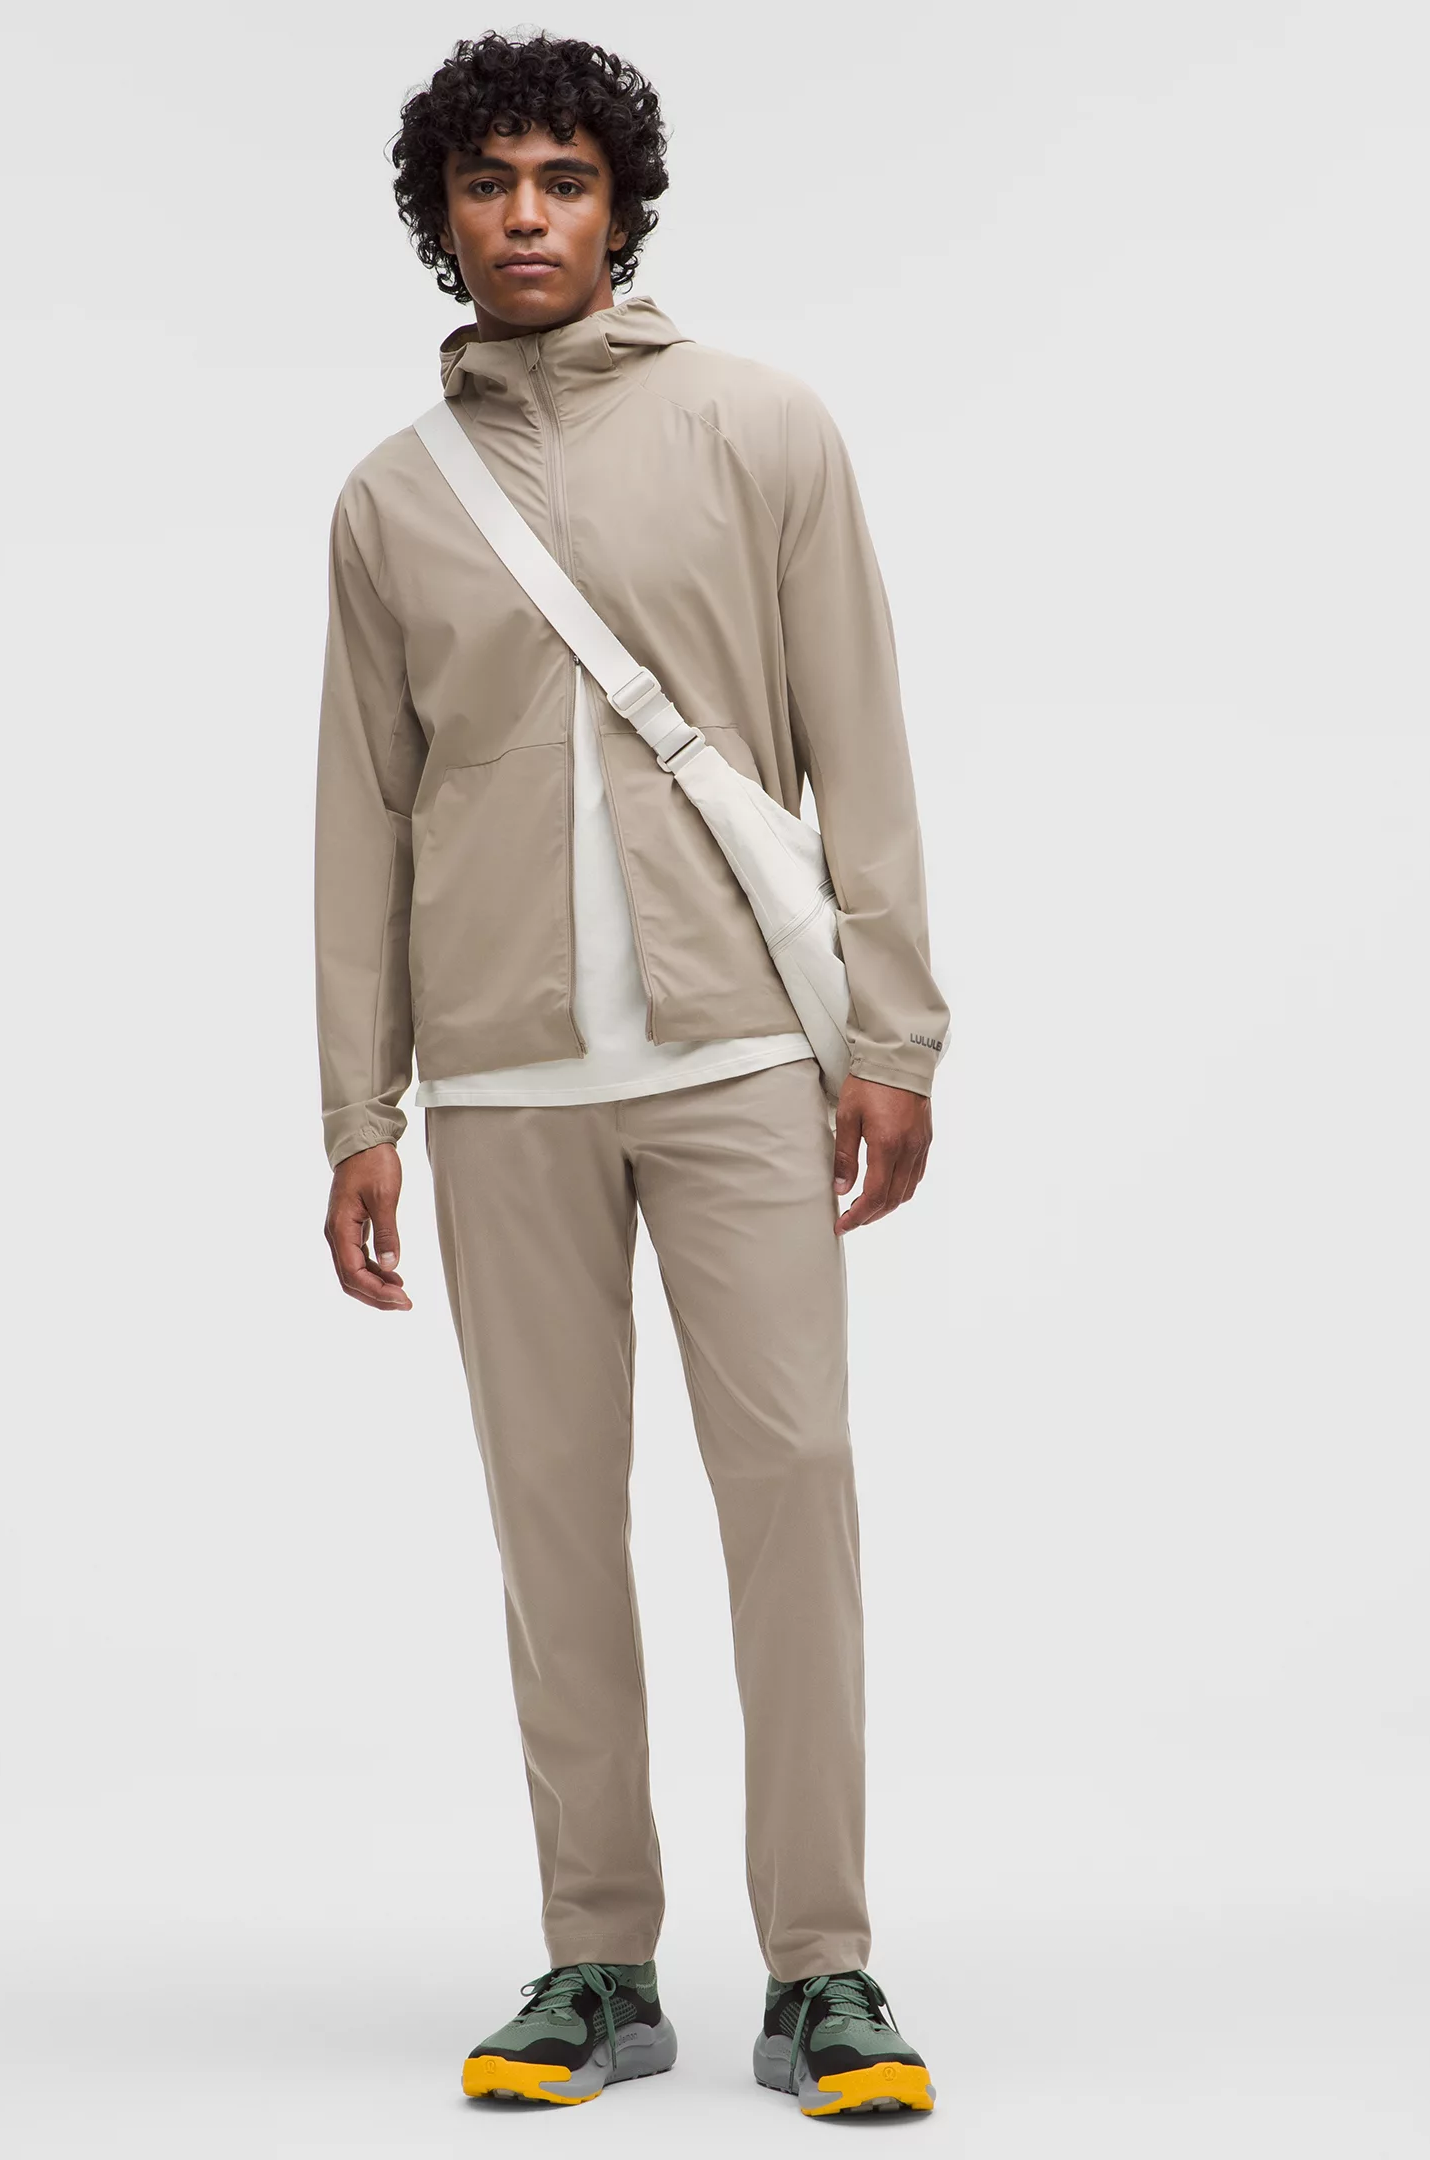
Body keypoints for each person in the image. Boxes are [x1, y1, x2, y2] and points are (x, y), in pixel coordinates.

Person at [314, 31, 949, 2119]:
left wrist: (892, 1033)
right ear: (441, 215)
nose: (526, 215)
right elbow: (360, 816)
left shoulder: (763, 427)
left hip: (746, 1053)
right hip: (501, 1087)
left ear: (620, 205)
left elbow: (859, 740)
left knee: (795, 1495)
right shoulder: (393, 499)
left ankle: (824, 1971)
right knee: (552, 1527)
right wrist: (358, 1112)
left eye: (565, 179)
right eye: (489, 181)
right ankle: (598, 1957)